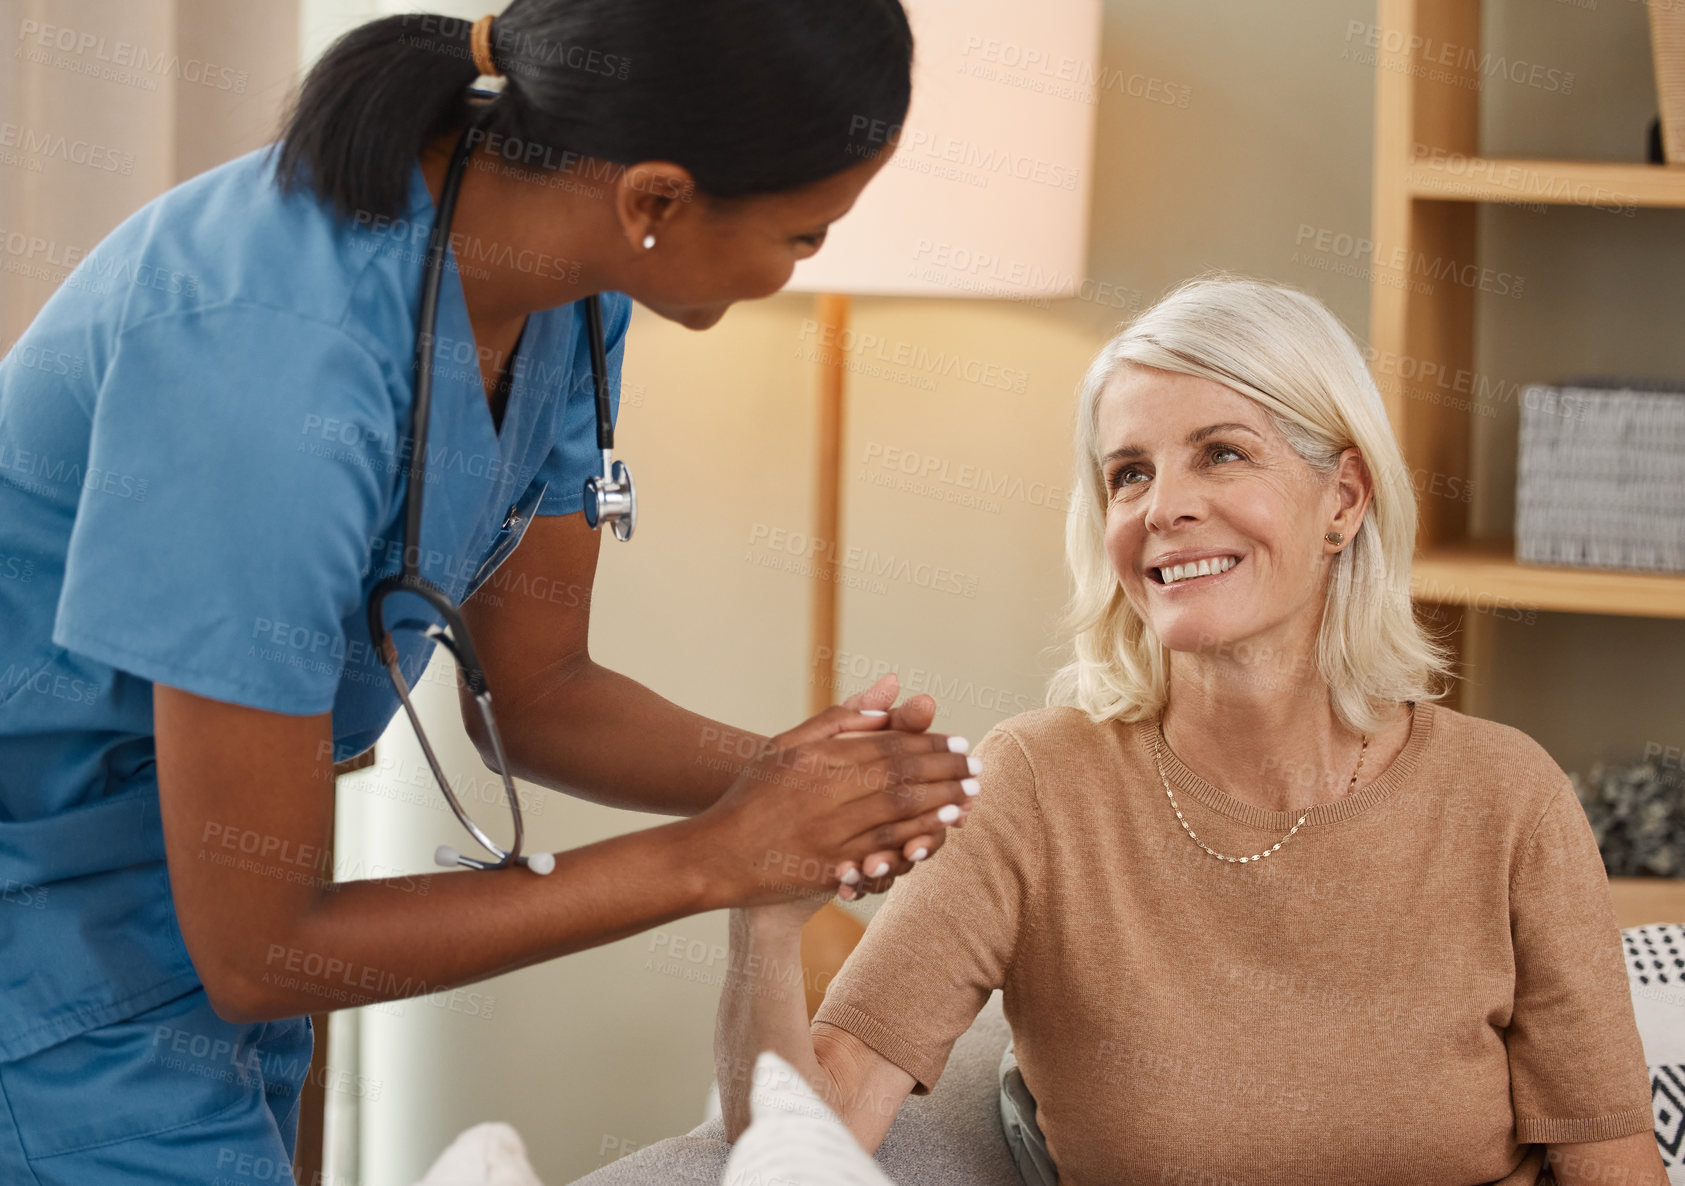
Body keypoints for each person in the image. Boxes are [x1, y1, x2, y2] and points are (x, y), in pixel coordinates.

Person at [0, 4, 975, 1182]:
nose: (791, 271)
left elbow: (537, 688)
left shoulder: (572, 288)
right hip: (48, 952)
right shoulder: (267, 369)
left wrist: (797, 781)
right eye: (803, 235)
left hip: (184, 932)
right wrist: (717, 855)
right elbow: (259, 948)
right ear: (656, 198)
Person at [716, 275, 1669, 1186]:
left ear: (1342, 500)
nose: (1162, 507)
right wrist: (761, 920)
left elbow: (1610, 1167)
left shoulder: (1505, 797)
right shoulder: (1037, 787)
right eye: (1128, 474)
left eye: (1221, 452)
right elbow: (807, 1140)